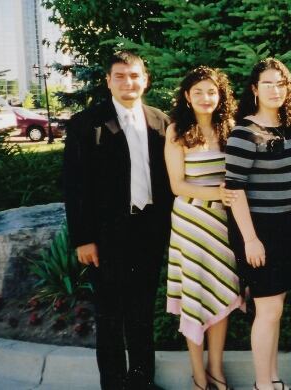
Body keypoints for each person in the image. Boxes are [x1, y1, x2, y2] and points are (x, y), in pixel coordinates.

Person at [63, 51, 172, 390]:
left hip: (149, 232)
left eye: (134, 75)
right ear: (108, 81)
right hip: (106, 237)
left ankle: (142, 381)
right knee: (110, 317)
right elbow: (74, 185)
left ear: (146, 79)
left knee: (141, 315)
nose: (129, 82)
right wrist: (83, 238)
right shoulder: (87, 125)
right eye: (120, 76)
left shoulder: (161, 122)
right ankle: (112, 384)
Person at [224, 58, 291, 390]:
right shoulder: (244, 132)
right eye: (267, 83)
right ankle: (262, 386)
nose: (275, 89)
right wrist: (251, 240)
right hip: (258, 231)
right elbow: (235, 189)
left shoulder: (290, 129)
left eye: (280, 83)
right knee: (267, 310)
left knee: (275, 309)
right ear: (255, 90)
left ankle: (272, 379)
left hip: (286, 229)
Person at [164, 66, 241, 390]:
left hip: (223, 225)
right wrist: (216, 193)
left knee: (221, 295)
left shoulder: (231, 129)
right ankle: (198, 377)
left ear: (220, 95)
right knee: (195, 298)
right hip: (191, 224)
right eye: (198, 92)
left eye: (211, 91)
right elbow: (177, 185)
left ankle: (217, 373)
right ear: (187, 96)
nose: (206, 98)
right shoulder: (176, 131)